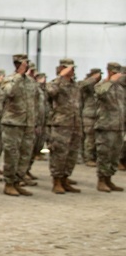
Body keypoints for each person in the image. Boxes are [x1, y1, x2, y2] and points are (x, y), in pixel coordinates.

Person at [0, 53, 36, 197]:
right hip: (13, 123)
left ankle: (17, 182)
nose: (26, 66)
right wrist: (19, 75)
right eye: (22, 64)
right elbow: (8, 93)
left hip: (28, 124)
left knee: (25, 154)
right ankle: (9, 184)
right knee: (12, 154)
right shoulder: (9, 79)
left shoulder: (31, 81)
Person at [45, 59, 83, 194]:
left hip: (75, 124)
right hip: (61, 124)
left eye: (73, 68)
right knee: (59, 153)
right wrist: (60, 77)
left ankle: (65, 179)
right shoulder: (55, 83)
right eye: (69, 68)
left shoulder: (75, 85)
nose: (72, 71)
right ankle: (56, 181)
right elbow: (50, 92)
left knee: (72, 154)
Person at [93, 62, 125, 193]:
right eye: (116, 73)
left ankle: (109, 179)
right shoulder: (102, 85)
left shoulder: (120, 88)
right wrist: (111, 81)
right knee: (104, 154)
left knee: (114, 155)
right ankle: (101, 180)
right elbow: (100, 93)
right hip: (106, 126)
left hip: (119, 126)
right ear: (110, 72)